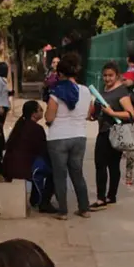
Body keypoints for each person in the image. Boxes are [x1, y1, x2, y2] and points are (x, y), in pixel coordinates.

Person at [45, 53, 92, 220]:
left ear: (60, 73)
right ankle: (84, 208)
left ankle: (63, 211)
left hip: (58, 137)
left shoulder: (55, 93)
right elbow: (88, 114)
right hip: (79, 136)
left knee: (60, 175)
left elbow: (49, 118)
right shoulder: (86, 91)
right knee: (77, 173)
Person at [89, 62, 134, 209]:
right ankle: (103, 196)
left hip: (115, 132)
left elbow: (130, 114)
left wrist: (112, 113)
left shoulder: (121, 92)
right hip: (102, 131)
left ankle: (109, 196)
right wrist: (93, 113)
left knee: (112, 165)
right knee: (100, 165)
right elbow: (97, 113)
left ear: (117, 76)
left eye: (110, 75)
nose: (107, 79)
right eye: (105, 76)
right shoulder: (103, 90)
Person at [4, 100, 56, 213]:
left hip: (11, 164)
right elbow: (43, 150)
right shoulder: (36, 129)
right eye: (40, 110)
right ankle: (44, 202)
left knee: (41, 165)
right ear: (34, 113)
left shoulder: (20, 125)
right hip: (22, 167)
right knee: (54, 171)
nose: (43, 112)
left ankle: (36, 198)